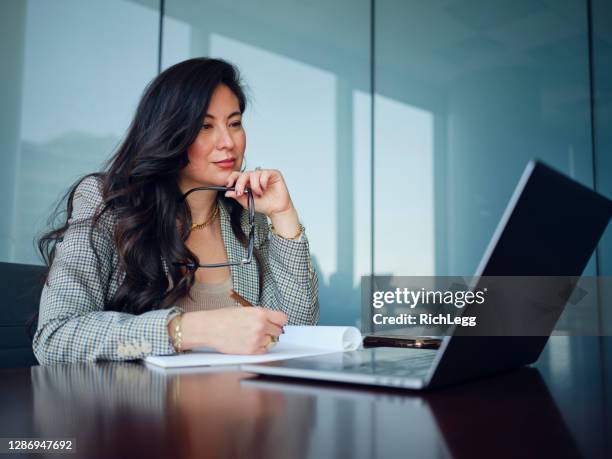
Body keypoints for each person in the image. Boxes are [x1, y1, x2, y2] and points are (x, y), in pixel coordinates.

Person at [33, 58, 319, 365]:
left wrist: (283, 214)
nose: (228, 142)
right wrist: (189, 329)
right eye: (205, 126)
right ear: (169, 132)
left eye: (234, 123)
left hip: (237, 405)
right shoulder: (108, 204)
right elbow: (55, 338)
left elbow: (298, 329)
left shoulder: (248, 220)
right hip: (137, 408)